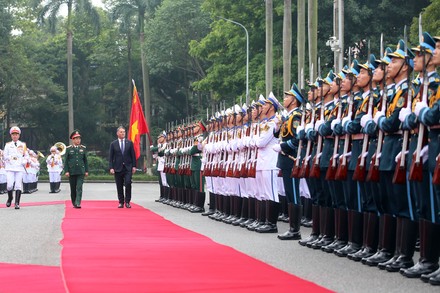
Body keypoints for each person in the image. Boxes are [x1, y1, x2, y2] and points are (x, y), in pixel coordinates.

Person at [109, 126, 136, 208]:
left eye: (124, 132)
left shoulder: (129, 143)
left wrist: (134, 166)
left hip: (128, 167)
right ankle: (121, 201)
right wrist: (111, 167)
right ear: (117, 133)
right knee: (119, 185)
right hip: (117, 167)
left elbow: (133, 156)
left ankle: (127, 201)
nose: (122, 133)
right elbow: (111, 157)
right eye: (121, 132)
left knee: (128, 183)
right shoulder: (113, 144)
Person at [3, 126, 29, 209]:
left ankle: (17, 203)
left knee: (18, 185)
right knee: (9, 185)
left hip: (19, 167)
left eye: (16, 134)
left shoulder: (23, 145)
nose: (15, 136)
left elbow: (26, 156)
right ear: (11, 135)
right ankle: (10, 198)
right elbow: (4, 156)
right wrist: (10, 158)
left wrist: (24, 161)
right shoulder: (8, 145)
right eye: (13, 134)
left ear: (19, 135)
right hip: (10, 167)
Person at [64, 130, 88, 208]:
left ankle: (78, 202)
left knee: (79, 187)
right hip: (72, 171)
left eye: (79, 138)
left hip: (81, 171)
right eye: (76, 139)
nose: (78, 140)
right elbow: (66, 161)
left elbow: (85, 160)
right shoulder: (68, 149)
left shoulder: (83, 148)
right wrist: (66, 171)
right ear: (73, 140)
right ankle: (74, 202)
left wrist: (86, 170)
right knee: (73, 188)